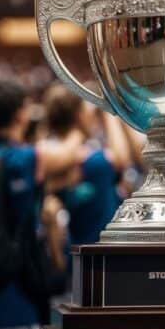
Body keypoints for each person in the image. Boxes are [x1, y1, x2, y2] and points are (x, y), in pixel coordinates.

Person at [0, 79, 85, 329]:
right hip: (16, 304)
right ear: (21, 113)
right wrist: (78, 123)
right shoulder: (24, 158)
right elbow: (68, 154)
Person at [43, 84, 131, 246]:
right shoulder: (95, 162)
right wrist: (109, 113)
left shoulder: (47, 157)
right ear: (79, 115)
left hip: (73, 255)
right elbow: (122, 158)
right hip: (104, 253)